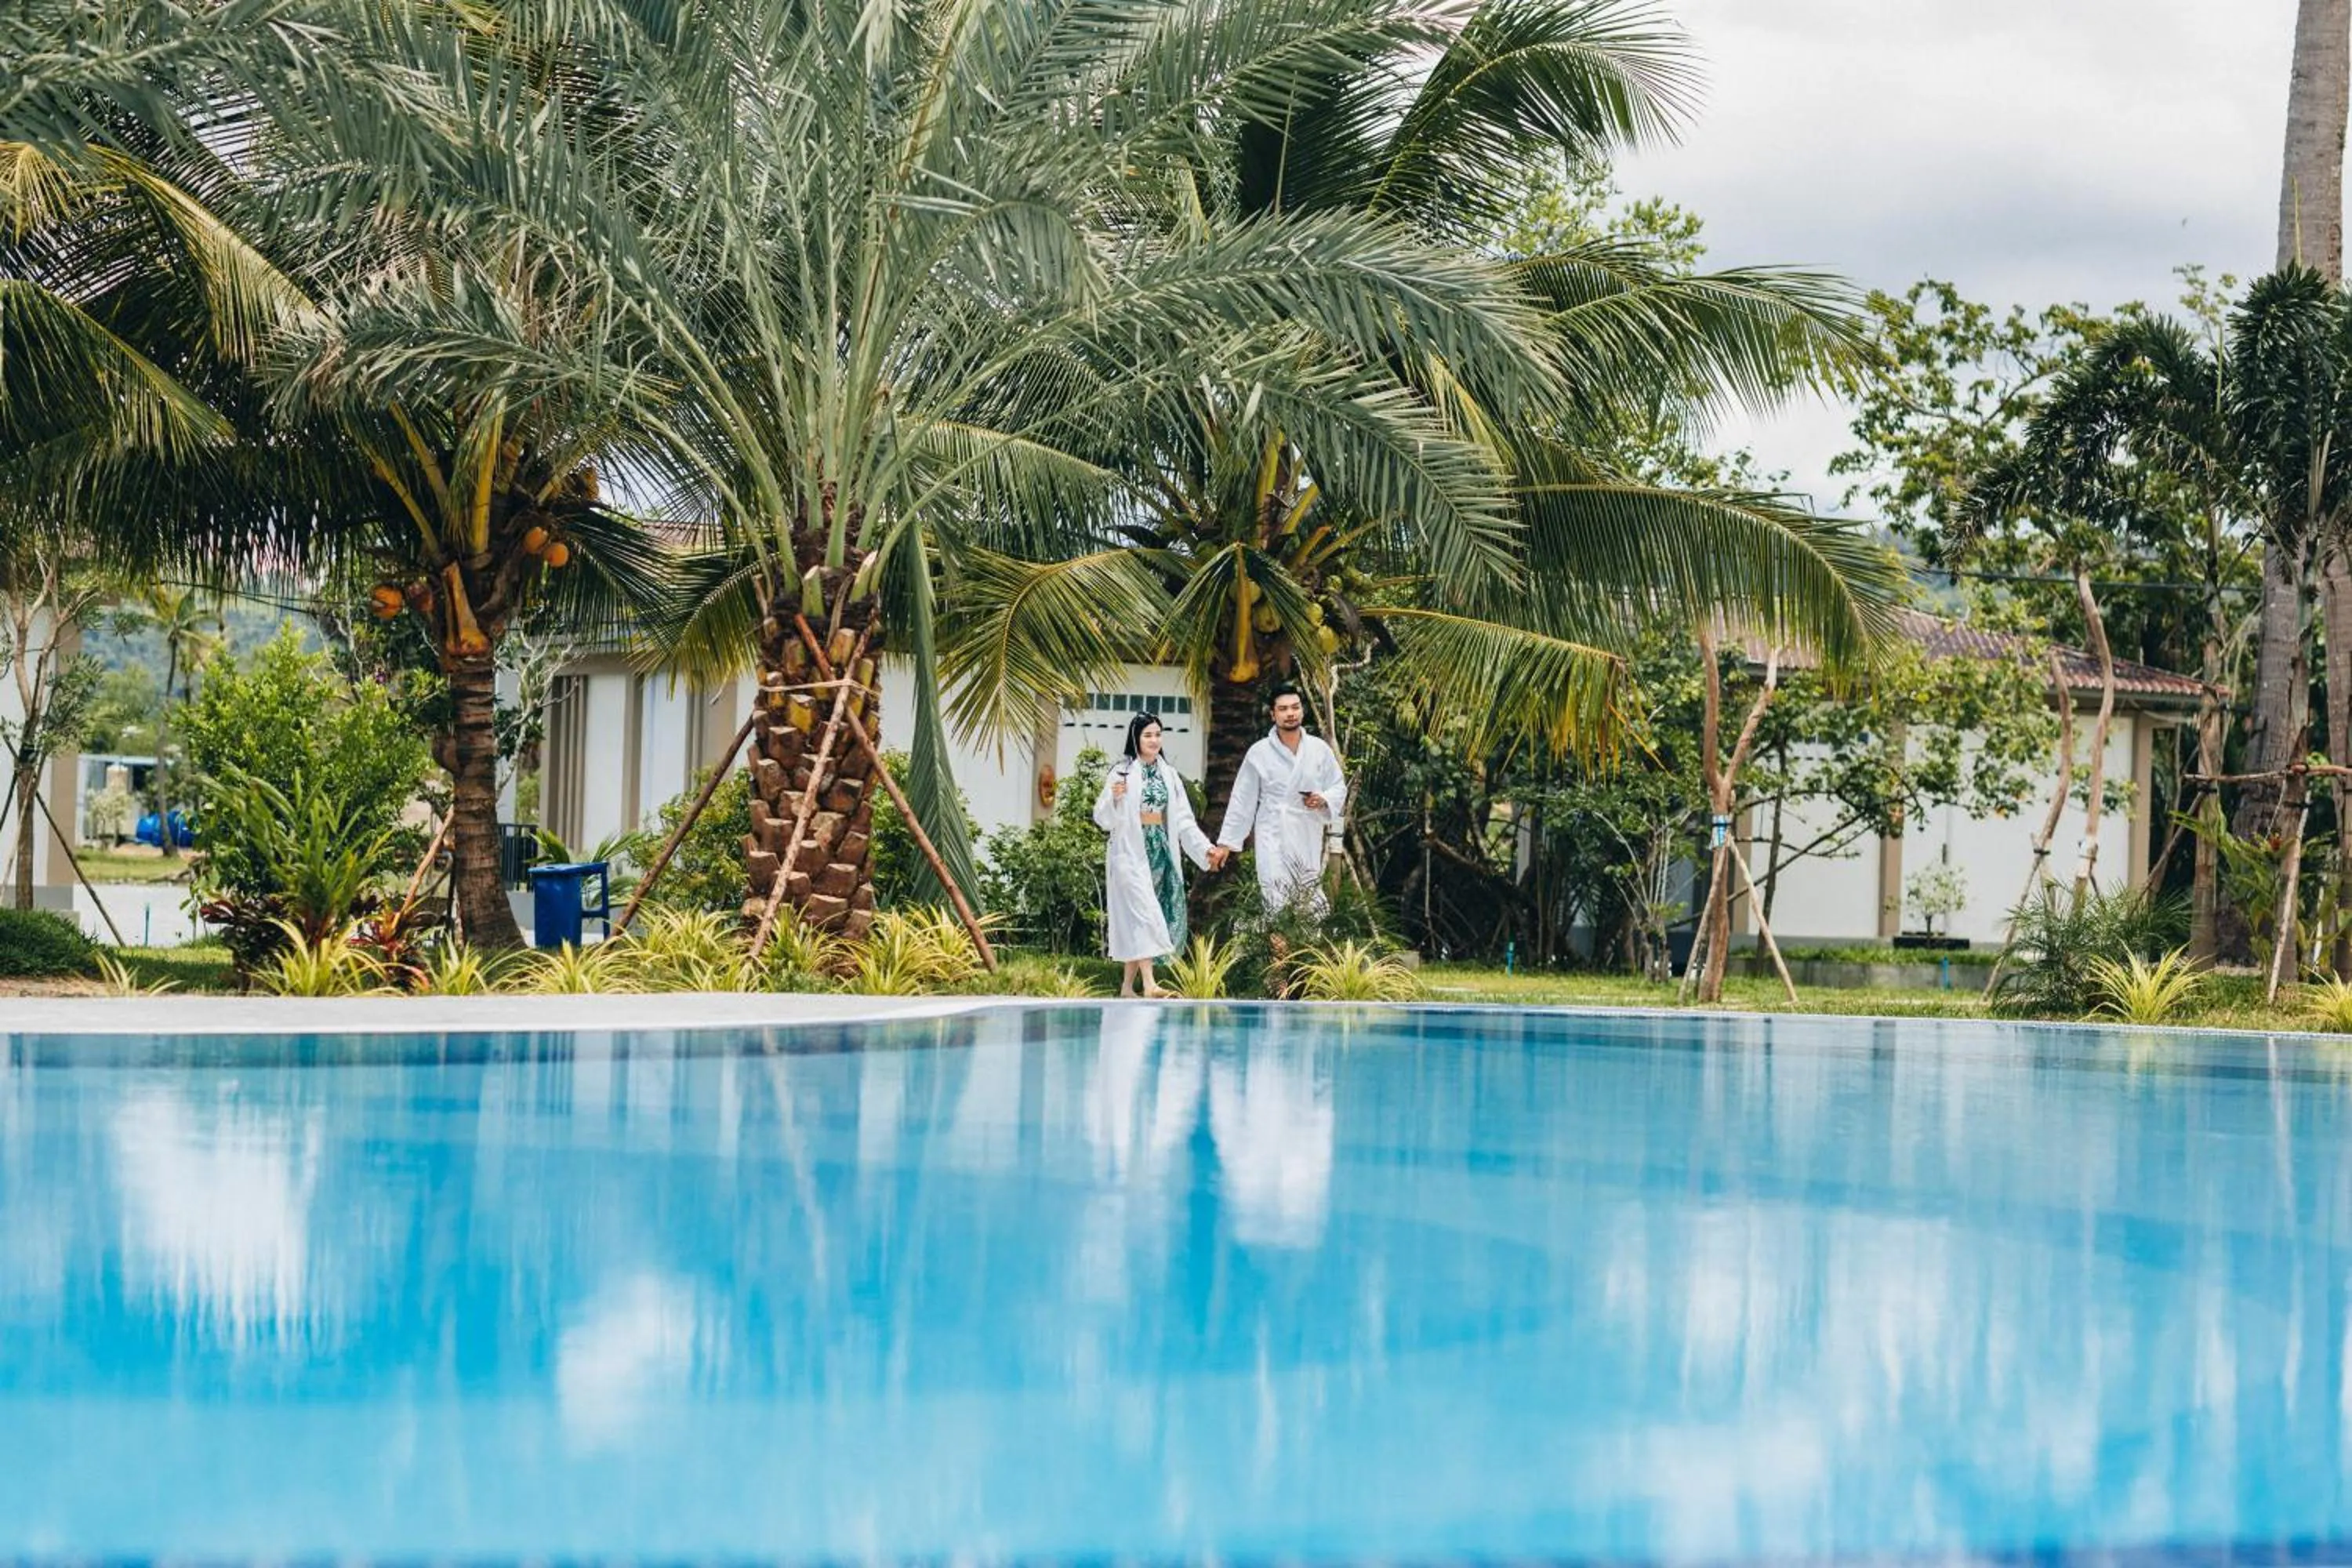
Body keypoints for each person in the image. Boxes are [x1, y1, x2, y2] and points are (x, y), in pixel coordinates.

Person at [1093, 712, 1214, 998]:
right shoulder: (1121, 773)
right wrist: (1115, 797)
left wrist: (1204, 848)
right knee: (1145, 910)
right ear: (1136, 738)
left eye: (1158, 734)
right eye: (1148, 735)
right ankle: (1149, 984)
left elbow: (1184, 819)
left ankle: (1126, 987)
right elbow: (1102, 818)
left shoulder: (1169, 774)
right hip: (1129, 851)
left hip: (1159, 848)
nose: (1154, 740)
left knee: (1142, 915)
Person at [1210, 684, 1347, 913]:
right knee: (1275, 896)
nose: (1290, 713)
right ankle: (1278, 948)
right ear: (1273, 714)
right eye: (1283, 709)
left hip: (1306, 831)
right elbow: (1242, 799)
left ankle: (1305, 948)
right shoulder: (1259, 752)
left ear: (1302, 711)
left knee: (1308, 895)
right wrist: (1226, 843)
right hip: (1272, 833)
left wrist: (1322, 799)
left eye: (1295, 707)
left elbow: (1338, 786)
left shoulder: (1319, 749)